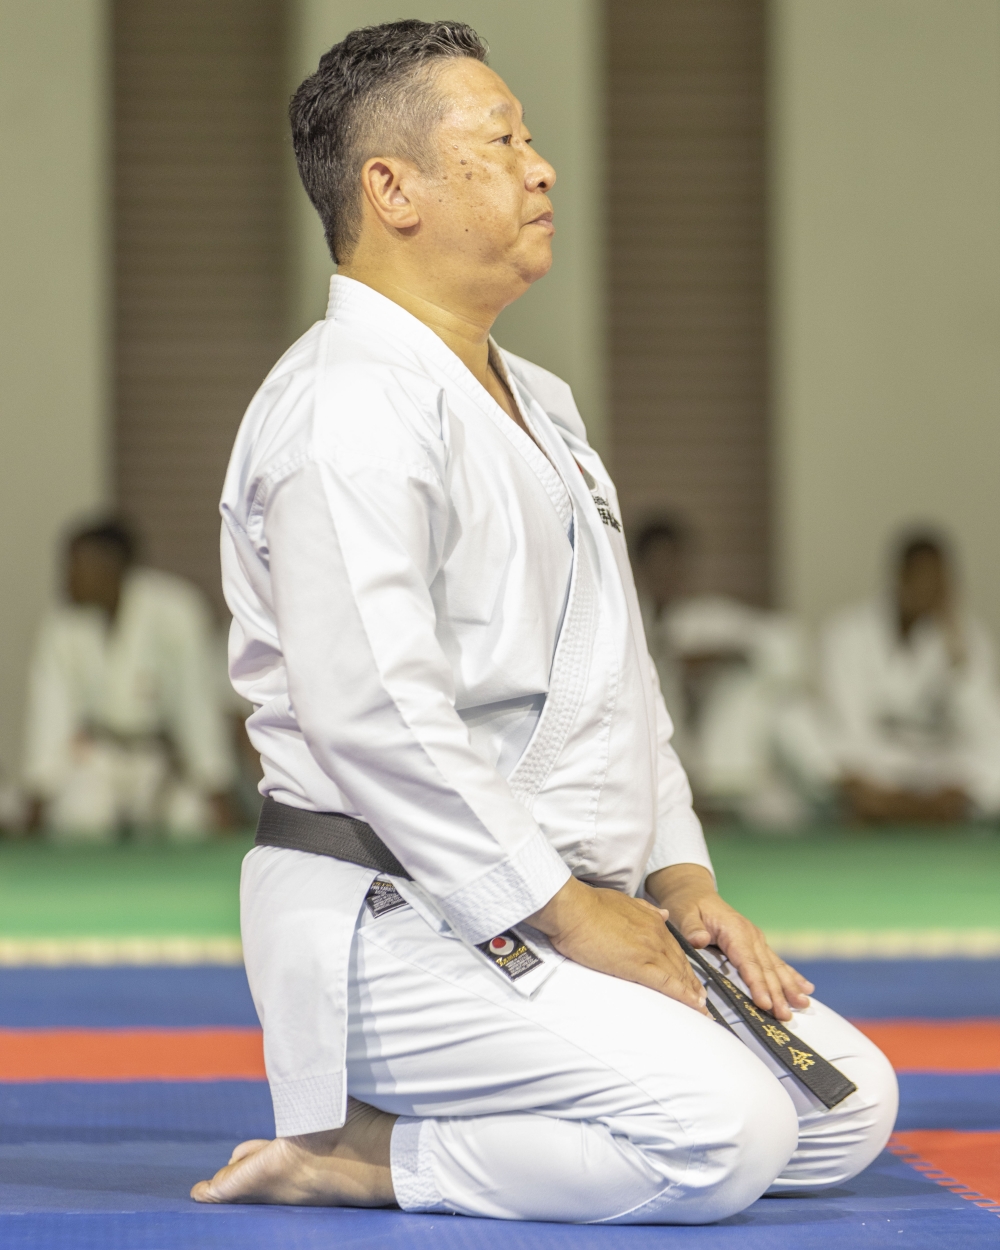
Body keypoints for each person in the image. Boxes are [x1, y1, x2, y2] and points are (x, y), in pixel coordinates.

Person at [192, 21, 896, 1224]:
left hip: (546, 898)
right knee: (725, 1132)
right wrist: (568, 913)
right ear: (391, 188)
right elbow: (376, 715)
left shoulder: (537, 401)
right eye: (503, 140)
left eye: (532, 138)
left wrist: (677, 878)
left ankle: (505, 1103)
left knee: (846, 1109)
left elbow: (618, 680)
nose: (542, 165)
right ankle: (363, 1153)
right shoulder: (343, 407)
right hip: (396, 914)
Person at [23, 519, 236, 840]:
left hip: (161, 759)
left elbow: (197, 701)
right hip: (98, 758)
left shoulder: (176, 610)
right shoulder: (61, 624)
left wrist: (213, 783)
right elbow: (50, 711)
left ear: (110, 567)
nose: (66, 577)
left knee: (189, 820)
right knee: (80, 817)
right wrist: (39, 793)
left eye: (75, 566)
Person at [634, 519, 833, 826]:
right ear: (639, 567)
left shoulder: (710, 618)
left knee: (783, 708)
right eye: (656, 564)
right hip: (645, 769)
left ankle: (832, 787)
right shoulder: (627, 624)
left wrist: (720, 656)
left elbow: (782, 646)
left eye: (672, 562)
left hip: (717, 760)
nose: (665, 573)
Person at [822, 530, 1000, 823]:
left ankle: (892, 810)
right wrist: (870, 777)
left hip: (940, 767)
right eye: (923, 577)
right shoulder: (848, 632)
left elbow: (983, 724)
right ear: (900, 578)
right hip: (875, 763)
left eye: (939, 580)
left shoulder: (967, 637)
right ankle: (915, 809)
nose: (931, 589)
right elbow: (846, 721)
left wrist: (956, 653)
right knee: (793, 725)